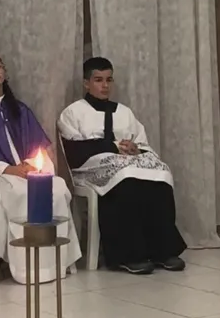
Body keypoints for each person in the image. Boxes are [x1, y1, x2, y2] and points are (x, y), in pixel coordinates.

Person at [0, 51, 82, 284]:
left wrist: (35, 165)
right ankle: (29, 268)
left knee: (56, 187)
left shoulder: (21, 110)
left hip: (30, 173)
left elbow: (42, 149)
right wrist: (9, 170)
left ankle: (55, 263)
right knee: (21, 192)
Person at [57, 57, 187, 274]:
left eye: (109, 80)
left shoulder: (124, 112)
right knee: (125, 181)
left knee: (161, 175)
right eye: (98, 80)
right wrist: (112, 146)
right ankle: (128, 255)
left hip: (127, 163)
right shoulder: (73, 112)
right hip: (91, 168)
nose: (105, 85)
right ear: (86, 83)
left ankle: (162, 251)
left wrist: (136, 149)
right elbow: (75, 150)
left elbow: (141, 141)